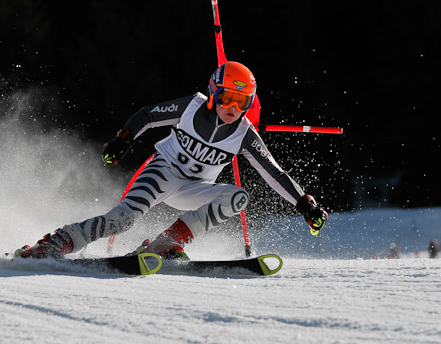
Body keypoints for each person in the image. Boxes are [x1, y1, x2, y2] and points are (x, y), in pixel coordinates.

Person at [18, 61, 328, 259]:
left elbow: (274, 173)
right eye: (226, 97)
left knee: (238, 197)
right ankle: (59, 241)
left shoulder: (245, 135)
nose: (232, 107)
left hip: (194, 189)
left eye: (241, 101)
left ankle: (168, 242)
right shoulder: (192, 107)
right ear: (213, 93)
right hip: (162, 172)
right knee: (123, 220)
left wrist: (305, 204)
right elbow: (148, 116)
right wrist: (123, 139)